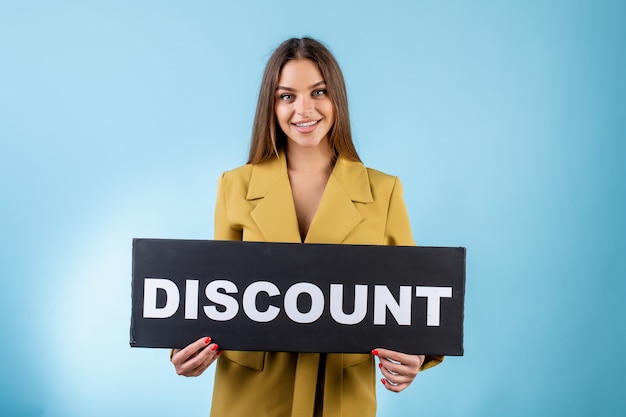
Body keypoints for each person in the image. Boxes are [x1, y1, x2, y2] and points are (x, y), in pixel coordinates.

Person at [170, 37, 443, 417]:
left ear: (337, 100)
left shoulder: (384, 192)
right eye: (287, 96)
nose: (304, 109)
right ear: (272, 104)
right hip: (251, 400)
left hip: (340, 397)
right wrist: (185, 351)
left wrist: (416, 355)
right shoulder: (234, 186)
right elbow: (212, 295)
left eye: (319, 92)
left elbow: (413, 304)